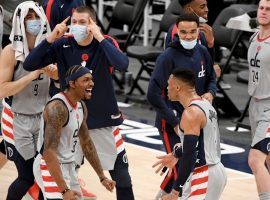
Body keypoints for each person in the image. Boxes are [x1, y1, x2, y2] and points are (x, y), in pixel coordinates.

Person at [23, 5, 135, 200]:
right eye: (73, 22)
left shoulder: (105, 42)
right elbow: (29, 63)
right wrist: (50, 38)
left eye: (82, 22)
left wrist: (99, 37)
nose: (76, 26)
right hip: (69, 119)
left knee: (122, 178)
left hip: (102, 120)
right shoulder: (62, 44)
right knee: (57, 181)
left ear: (93, 24)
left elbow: (123, 65)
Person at [147, 13, 217, 199]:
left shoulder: (202, 52)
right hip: (172, 123)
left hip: (195, 120)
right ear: (177, 32)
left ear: (198, 31)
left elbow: (212, 77)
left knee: (180, 167)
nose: (188, 36)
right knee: (183, 169)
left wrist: (211, 92)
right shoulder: (167, 57)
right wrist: (174, 120)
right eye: (184, 32)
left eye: (192, 32)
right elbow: (152, 94)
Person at [0, 1, 57, 199]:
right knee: (26, 177)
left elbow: (60, 80)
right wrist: (31, 76)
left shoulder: (50, 49)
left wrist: (56, 74)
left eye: (35, 17)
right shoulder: (10, 52)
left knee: (43, 175)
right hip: (16, 118)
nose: (33, 21)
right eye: (27, 18)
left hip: (41, 117)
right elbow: (2, 89)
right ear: (19, 22)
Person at [33, 65, 116, 199]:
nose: (92, 83)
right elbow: (49, 153)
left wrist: (102, 177)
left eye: (92, 79)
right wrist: (64, 190)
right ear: (72, 83)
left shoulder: (80, 106)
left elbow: (86, 143)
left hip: (68, 165)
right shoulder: (57, 108)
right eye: (86, 80)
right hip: (49, 166)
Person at [152, 68, 227, 200]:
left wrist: (175, 191)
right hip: (215, 169)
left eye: (169, 85)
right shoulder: (205, 103)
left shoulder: (191, 113)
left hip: (203, 172)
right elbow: (199, 143)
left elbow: (190, 154)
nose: (167, 88)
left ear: (177, 87)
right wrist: (176, 154)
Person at [247, 0, 270, 199]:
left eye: (268, 9)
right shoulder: (255, 37)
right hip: (255, 105)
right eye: (261, 8)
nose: (263, 12)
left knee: (255, 159)